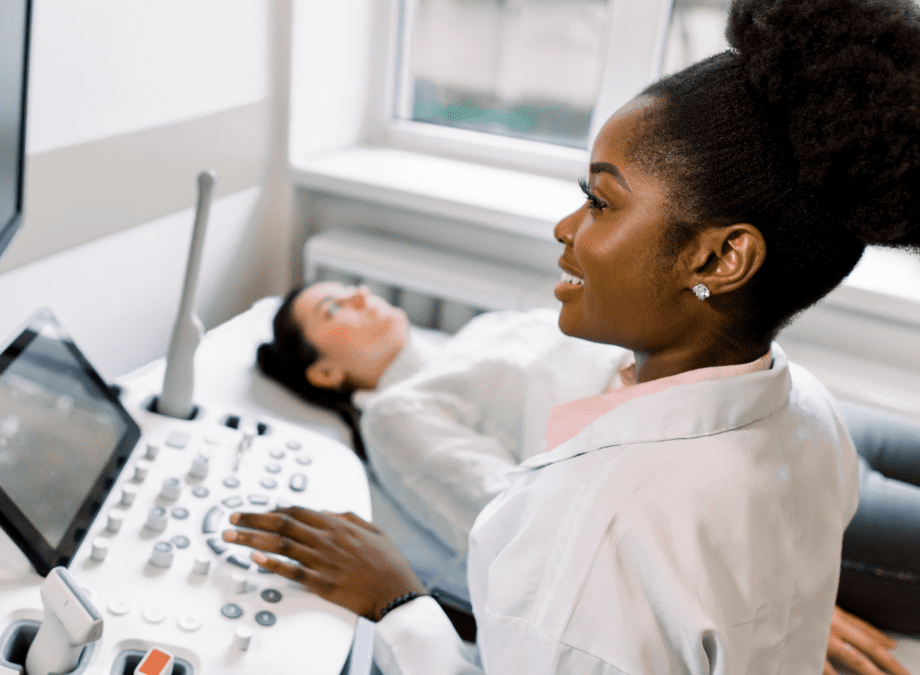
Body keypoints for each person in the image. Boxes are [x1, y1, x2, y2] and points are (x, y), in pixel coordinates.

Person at [230, 0, 920, 672]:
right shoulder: (810, 412)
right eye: (331, 312)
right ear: (324, 371)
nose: (565, 227)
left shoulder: (589, 531)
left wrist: (399, 604)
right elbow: (485, 505)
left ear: (717, 259)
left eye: (600, 201)